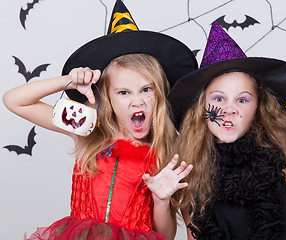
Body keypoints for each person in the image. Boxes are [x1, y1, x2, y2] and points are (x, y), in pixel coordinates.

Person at [3, 1, 197, 240]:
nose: (137, 102)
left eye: (147, 89)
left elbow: (165, 236)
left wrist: (160, 199)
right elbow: (15, 101)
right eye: (123, 92)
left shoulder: (166, 153)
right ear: (107, 98)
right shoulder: (89, 132)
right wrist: (67, 81)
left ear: (160, 93)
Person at [168, 21, 286, 239]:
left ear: (258, 108)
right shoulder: (188, 173)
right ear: (201, 108)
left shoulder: (282, 149)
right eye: (219, 98)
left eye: (242, 99)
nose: (229, 109)